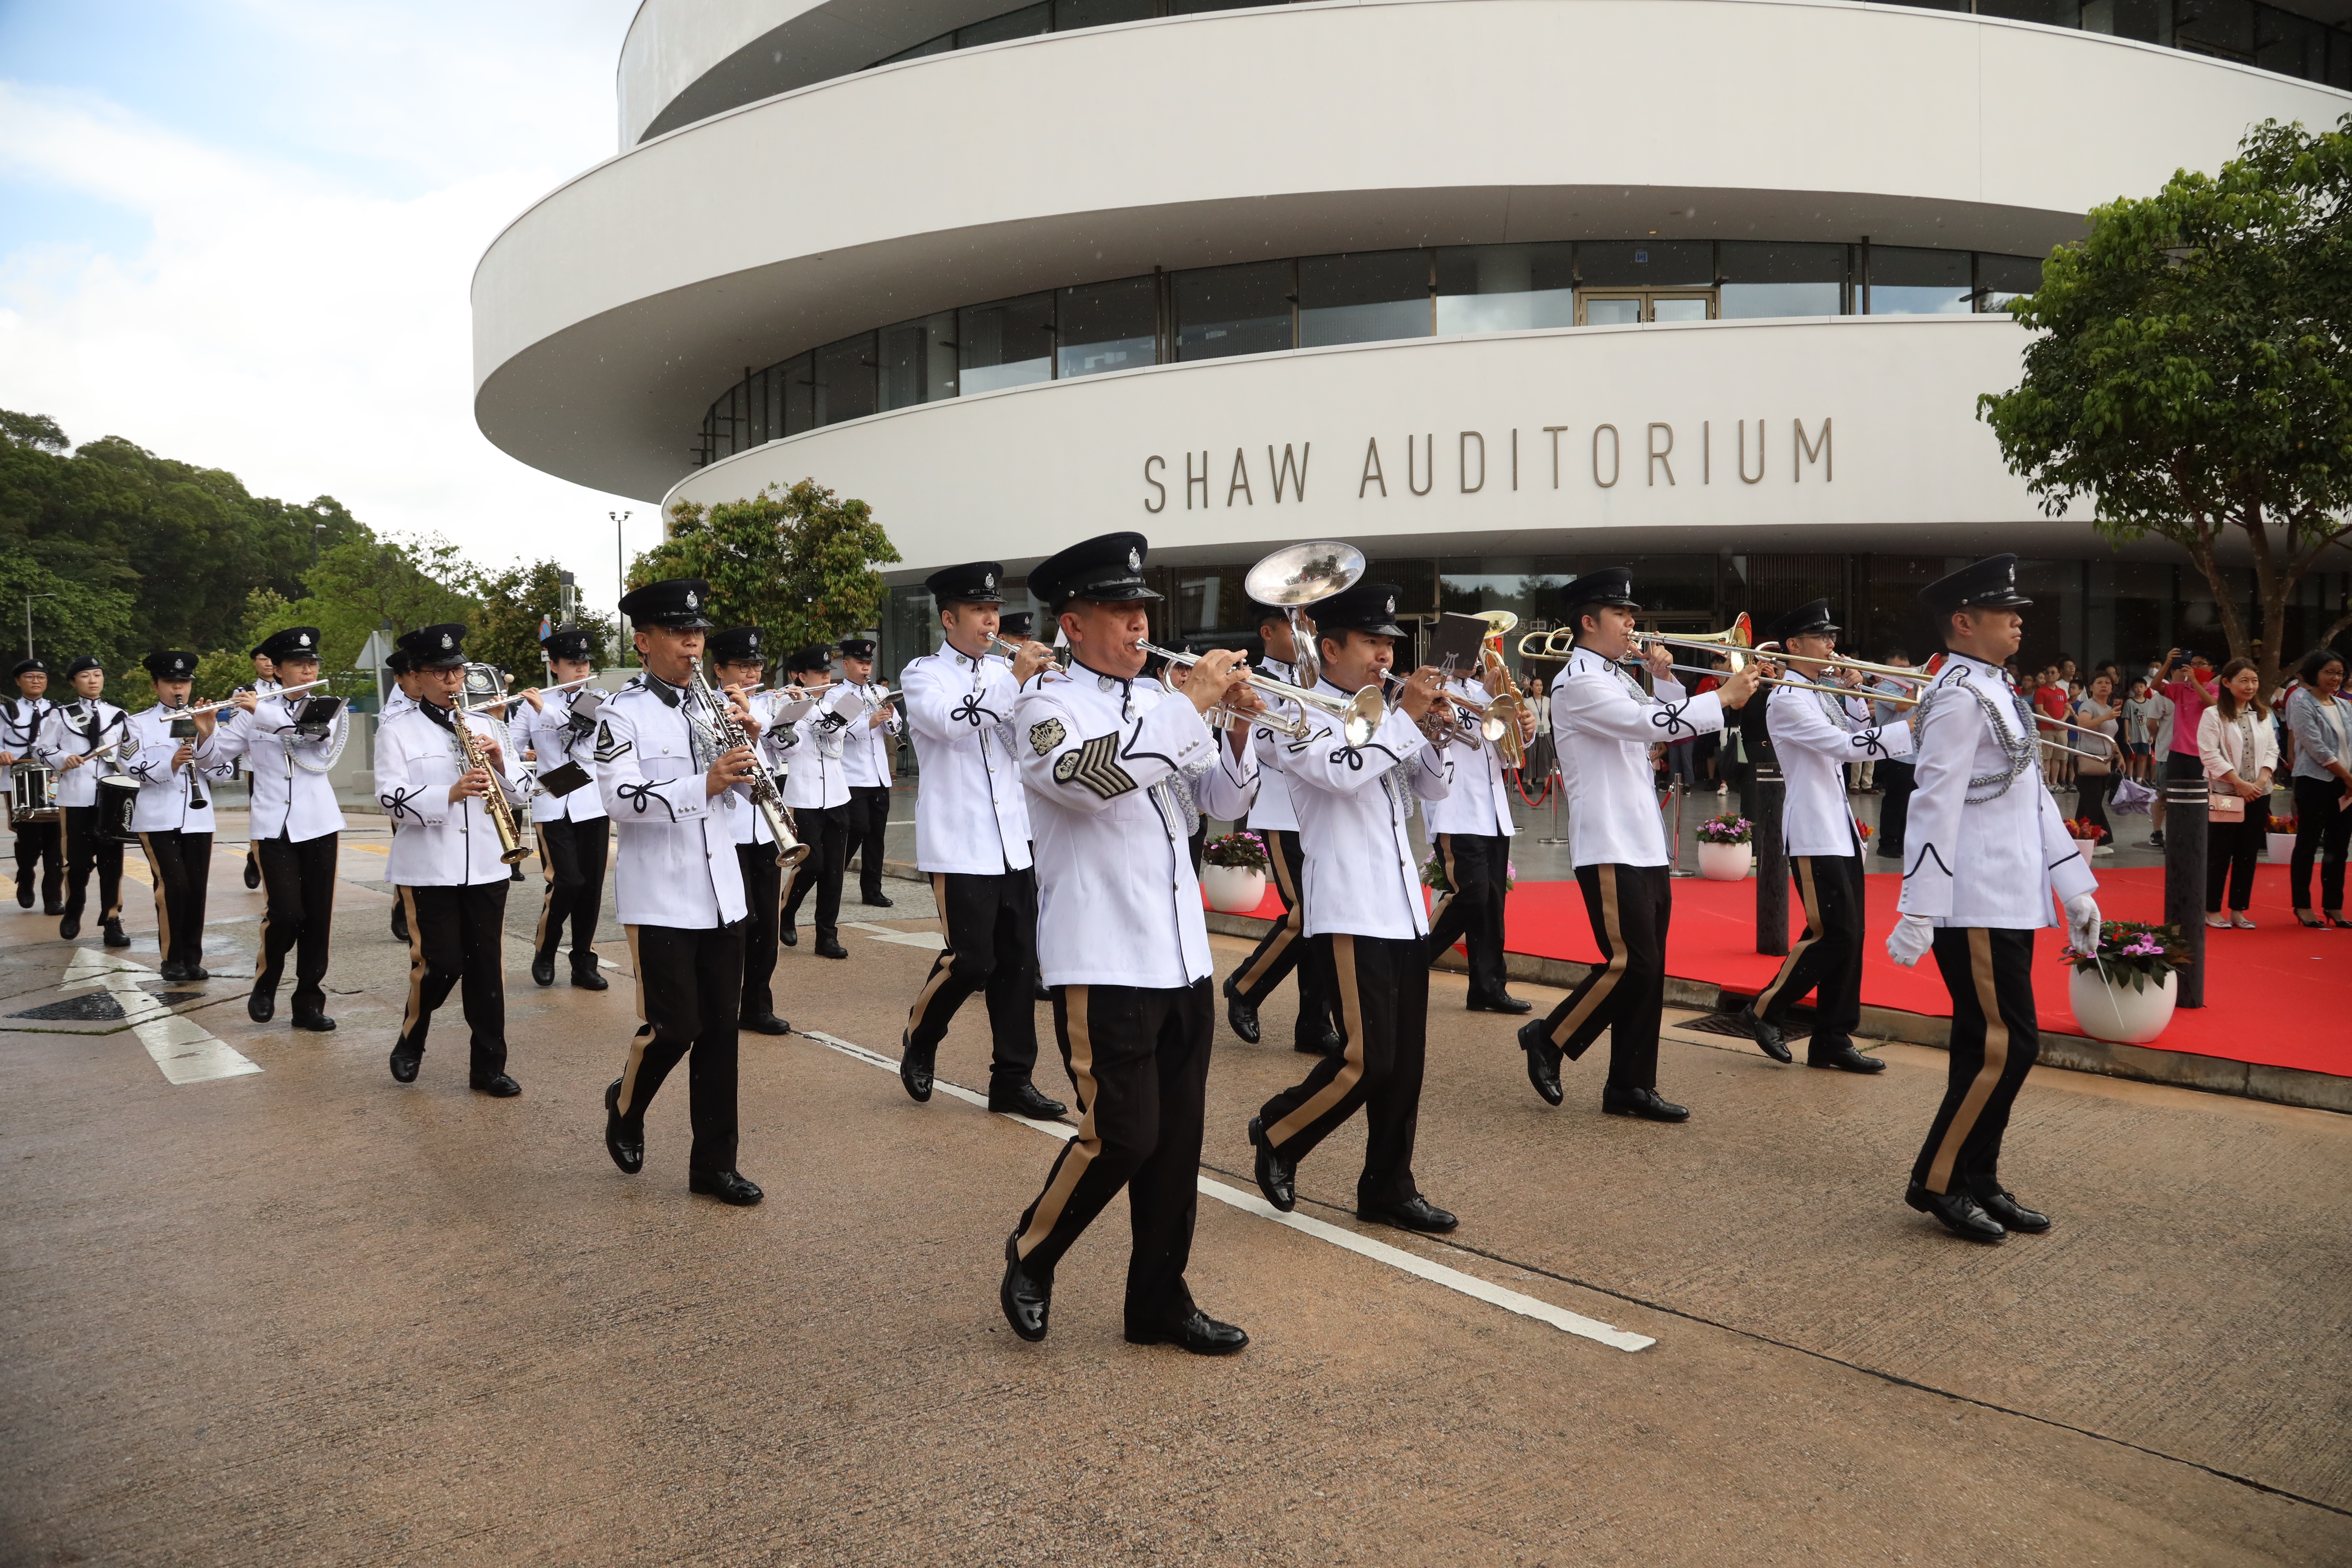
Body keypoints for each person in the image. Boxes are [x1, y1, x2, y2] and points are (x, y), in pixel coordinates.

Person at [997, 531, 1261, 1353]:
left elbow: (1216, 801)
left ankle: (1158, 1300)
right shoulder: (1044, 706)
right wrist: (1191, 707)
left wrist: (1242, 730)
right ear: (1073, 625)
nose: (1138, 624)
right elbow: (1086, 781)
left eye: (1142, 608)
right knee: (1124, 1133)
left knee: (1176, 1146)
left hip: (1180, 953)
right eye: (1119, 610)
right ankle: (1033, 1251)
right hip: (1101, 953)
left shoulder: (1159, 701)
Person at [1888, 554, 2100, 1244]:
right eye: (2004, 611)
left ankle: (1978, 1176)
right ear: (1963, 622)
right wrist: (1919, 905)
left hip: (2010, 895)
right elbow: (1934, 801)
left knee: (1990, 1047)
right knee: (2005, 1047)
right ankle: (1940, 1179)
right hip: (1972, 897)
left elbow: (2032, 795)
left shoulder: (1996, 688)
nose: (2017, 620)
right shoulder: (1955, 694)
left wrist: (2074, 888)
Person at [1247, 578, 1461, 1236]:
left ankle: (1389, 1187)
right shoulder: (1295, 713)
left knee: (1407, 1067)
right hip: (1347, 906)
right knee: (1370, 1059)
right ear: (1330, 646)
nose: (1385, 657)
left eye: (1389, 644)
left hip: (1401, 908)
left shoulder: (1391, 711)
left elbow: (1434, 788)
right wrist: (1404, 721)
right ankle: (1281, 1131)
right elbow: (1339, 772)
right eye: (1371, 643)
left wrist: (1436, 732)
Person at [1516, 570, 1758, 1120]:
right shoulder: (1578, 680)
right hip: (1608, 841)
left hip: (1642, 839)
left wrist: (1667, 680)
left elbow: (1658, 719)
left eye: (1632, 614)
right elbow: (1640, 724)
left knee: (1651, 970)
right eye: (1621, 615)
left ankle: (1630, 1085)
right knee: (1634, 964)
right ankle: (1550, 1039)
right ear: (1588, 622)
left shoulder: (1615, 673)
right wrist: (1719, 696)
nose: (1632, 624)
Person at [595, 579, 767, 1206]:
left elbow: (751, 787)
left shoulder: (711, 705)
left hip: (722, 889)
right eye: (677, 632)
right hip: (661, 894)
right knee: (676, 1027)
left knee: (720, 1034)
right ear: (644, 642)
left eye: (696, 631)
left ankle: (714, 1166)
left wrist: (752, 745)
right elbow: (619, 798)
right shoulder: (622, 713)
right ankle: (626, 1101)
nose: (693, 642)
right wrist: (706, 783)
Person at [895, 562, 1066, 1120]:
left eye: (995, 610)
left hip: (1015, 838)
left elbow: (1035, 744)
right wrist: (1015, 680)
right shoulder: (923, 674)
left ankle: (1013, 1080)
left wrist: (1051, 695)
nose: (991, 619)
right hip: (960, 840)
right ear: (950, 618)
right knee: (972, 961)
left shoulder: (1007, 671)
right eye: (978, 611)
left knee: (1018, 965)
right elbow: (950, 722)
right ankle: (922, 1036)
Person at [1731, 601, 1908, 1073]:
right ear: (1794, 646)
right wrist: (1911, 725)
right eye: (1823, 637)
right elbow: (1846, 748)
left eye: (1832, 636)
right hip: (1813, 829)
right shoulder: (1789, 698)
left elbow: (1859, 730)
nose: (1833, 645)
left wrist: (1855, 694)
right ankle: (1764, 1009)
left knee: (1850, 937)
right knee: (1835, 933)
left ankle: (1833, 1036)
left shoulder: (1816, 690)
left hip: (1839, 827)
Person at [371, 623, 529, 1091]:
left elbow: (522, 793)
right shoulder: (396, 731)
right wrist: (448, 793)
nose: (452, 680)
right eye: (440, 673)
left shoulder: (487, 724)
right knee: (441, 964)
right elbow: (388, 796)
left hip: (486, 862)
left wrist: (500, 764)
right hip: (429, 865)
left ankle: (489, 1067)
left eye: (457, 671)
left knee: (486, 968)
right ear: (416, 678)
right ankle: (412, 1034)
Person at [211, 627, 349, 1030]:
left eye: (312, 664)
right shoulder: (250, 711)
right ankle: (266, 981)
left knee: (317, 918)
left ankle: (308, 1002)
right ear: (279, 671)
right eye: (299, 665)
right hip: (273, 826)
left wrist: (260, 712)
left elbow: (312, 740)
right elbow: (217, 758)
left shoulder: (325, 705)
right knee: (286, 913)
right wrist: (204, 729)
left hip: (319, 824)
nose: (308, 671)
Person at [1221, 598, 1341, 1055]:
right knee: (1304, 912)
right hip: (1282, 811)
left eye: (1308, 628)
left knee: (1323, 917)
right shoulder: (1258, 681)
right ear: (1268, 634)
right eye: (1295, 629)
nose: (1305, 638)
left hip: (1322, 810)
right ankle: (1246, 987)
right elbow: (1265, 747)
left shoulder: (1321, 682)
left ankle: (1314, 1022)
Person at [1420, 644, 1534, 1015]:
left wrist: (1524, 728)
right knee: (1470, 894)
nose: (1476, 660)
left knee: (1492, 904)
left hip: (1493, 811)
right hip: (1455, 808)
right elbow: (1430, 740)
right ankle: (1408, 960)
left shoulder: (1483, 693)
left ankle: (1488, 986)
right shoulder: (1435, 690)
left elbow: (1505, 752)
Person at [703, 625, 797, 1034]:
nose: (750, 673)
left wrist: (757, 733)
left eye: (756, 665)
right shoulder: (702, 709)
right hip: (727, 829)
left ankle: (758, 1004)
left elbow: (776, 765)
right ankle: (722, 1003)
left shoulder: (763, 706)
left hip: (765, 830)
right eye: (742, 666)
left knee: (766, 926)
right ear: (719, 669)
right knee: (737, 923)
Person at [121, 652, 236, 982]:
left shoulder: (207, 718)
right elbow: (130, 767)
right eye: (171, 683)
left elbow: (223, 771)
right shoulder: (138, 723)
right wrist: (170, 763)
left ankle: (192, 957)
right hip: (157, 818)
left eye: (184, 682)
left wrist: (206, 735)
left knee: (196, 888)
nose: (178, 689)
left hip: (199, 819)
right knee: (175, 885)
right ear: (156, 685)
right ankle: (171, 958)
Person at [511, 628, 612, 992]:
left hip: (592, 802)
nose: (581, 669)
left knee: (591, 890)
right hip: (553, 800)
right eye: (572, 663)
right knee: (567, 882)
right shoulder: (530, 705)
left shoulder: (599, 698)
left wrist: (544, 709)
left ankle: (583, 962)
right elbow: (511, 747)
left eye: (584, 662)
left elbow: (581, 732)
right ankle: (546, 949)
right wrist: (495, 720)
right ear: (554, 666)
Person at [777, 644, 866, 959]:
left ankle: (826, 935)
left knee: (834, 871)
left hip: (838, 795)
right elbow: (788, 747)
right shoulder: (785, 705)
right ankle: (786, 913)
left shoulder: (831, 703)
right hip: (804, 796)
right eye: (819, 673)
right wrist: (808, 707)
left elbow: (836, 735)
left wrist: (816, 707)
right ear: (799, 676)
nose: (827, 678)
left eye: (829, 673)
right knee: (812, 864)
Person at [36, 656, 131, 947]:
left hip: (112, 799)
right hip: (76, 798)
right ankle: (74, 907)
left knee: (112, 863)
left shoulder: (119, 715)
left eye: (98, 675)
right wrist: (64, 758)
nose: (93, 680)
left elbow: (129, 754)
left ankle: (112, 920)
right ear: (73, 682)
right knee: (77, 863)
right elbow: (42, 750)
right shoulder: (60, 715)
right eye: (86, 676)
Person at [2198, 658, 2275, 930]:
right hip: (2226, 792)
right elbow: (2209, 754)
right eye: (2243, 680)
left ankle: (2239, 910)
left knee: (2248, 854)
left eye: (2254, 680)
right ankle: (2211, 909)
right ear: (2227, 683)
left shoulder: (2262, 714)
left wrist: (2262, 779)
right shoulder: (2213, 714)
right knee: (2221, 852)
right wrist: (2238, 782)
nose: (2250, 686)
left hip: (2258, 793)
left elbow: (2272, 751)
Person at [838, 636, 901, 908]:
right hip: (853, 776)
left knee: (876, 834)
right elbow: (840, 730)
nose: (866, 669)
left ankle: (872, 890)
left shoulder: (876, 691)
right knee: (858, 828)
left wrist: (890, 712)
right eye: (860, 663)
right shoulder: (839, 695)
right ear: (846, 664)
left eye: (868, 664)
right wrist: (870, 721)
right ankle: (831, 873)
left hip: (878, 776)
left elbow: (893, 729)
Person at [3, 657, 62, 914]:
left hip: (53, 778)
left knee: (56, 836)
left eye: (41, 677)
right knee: (28, 837)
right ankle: (25, 876)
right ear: (18, 681)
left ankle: (53, 895)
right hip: (18, 779)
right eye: (30, 677)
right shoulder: (6, 712)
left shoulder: (59, 711)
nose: (36, 681)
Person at [2149, 650, 2218, 848]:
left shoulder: (2215, 689)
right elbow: (2156, 686)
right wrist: (2168, 663)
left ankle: (2198, 841)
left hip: (2202, 755)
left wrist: (2196, 682)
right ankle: (2175, 840)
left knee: (2200, 801)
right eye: (2193, 663)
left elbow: (2213, 705)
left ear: (2211, 669)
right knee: (2175, 800)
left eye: (2201, 664)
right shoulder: (2180, 688)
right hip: (2177, 753)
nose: (2195, 667)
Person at [236, 645, 280, 890]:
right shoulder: (246, 691)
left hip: (283, 756)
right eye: (263, 659)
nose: (268, 663)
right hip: (256, 760)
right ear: (255, 662)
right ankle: (256, 858)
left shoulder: (288, 689)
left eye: (272, 659)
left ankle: (258, 856)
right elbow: (238, 728)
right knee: (260, 812)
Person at [1867, 649, 1917, 862]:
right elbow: (1904, 705)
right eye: (1901, 669)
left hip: (1913, 752)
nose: (1908, 672)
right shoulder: (1885, 688)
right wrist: (1916, 685)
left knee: (1910, 802)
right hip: (1894, 753)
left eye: (1908, 668)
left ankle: (1904, 842)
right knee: (1895, 802)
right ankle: (1887, 844)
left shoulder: (1912, 687)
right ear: (1889, 670)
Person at [2072, 673, 2121, 852]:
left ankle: (2078, 839)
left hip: (2104, 761)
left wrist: (2119, 755)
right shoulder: (2088, 705)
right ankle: (2095, 841)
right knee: (2092, 802)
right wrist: (2105, 717)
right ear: (2091, 687)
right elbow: (2083, 726)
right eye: (2099, 682)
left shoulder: (2109, 708)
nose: (2104, 685)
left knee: (2088, 803)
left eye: (2107, 683)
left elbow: (2110, 737)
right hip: (2088, 758)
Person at [2121, 677, 2157, 784]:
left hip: (2146, 735)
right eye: (2136, 687)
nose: (2139, 689)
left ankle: (2140, 780)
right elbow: (2126, 720)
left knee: (2143, 757)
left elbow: (2153, 720)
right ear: (2132, 689)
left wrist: (2152, 736)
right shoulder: (2129, 703)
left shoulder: (2150, 703)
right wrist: (2127, 734)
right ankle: (2130, 779)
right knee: (2131, 757)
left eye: (2141, 686)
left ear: (2146, 688)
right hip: (2133, 735)